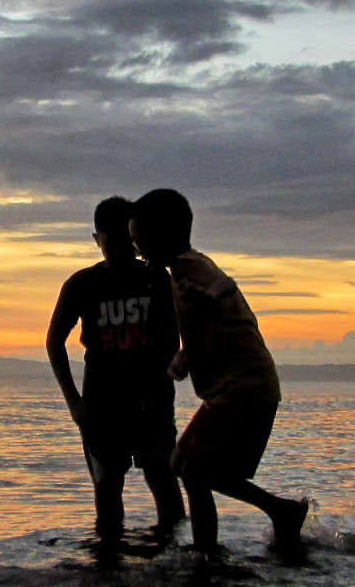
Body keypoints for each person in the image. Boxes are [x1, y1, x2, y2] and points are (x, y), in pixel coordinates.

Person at [128, 187, 308, 553]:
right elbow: (208, 318)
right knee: (180, 462)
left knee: (195, 472)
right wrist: (186, 355)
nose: (137, 250)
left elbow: (224, 287)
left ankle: (209, 555)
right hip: (232, 389)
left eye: (140, 240)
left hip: (244, 388)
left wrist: (210, 297)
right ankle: (273, 515)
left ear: (162, 235)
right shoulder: (185, 266)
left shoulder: (187, 267)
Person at [45, 195, 186, 544]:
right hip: (102, 405)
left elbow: (171, 342)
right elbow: (54, 341)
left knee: (163, 478)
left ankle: (176, 563)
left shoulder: (156, 279)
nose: (121, 253)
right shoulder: (82, 284)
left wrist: (156, 391)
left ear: (135, 239)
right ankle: (108, 577)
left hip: (152, 402)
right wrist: (74, 403)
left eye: (128, 244)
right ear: (96, 240)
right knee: (108, 490)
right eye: (110, 245)